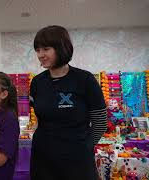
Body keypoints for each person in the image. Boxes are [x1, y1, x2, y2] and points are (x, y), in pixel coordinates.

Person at [29, 25, 107, 180]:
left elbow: (100, 122)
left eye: (46, 49)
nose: (40, 55)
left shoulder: (85, 80)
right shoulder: (38, 82)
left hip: (77, 160)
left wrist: (85, 147)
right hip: (43, 159)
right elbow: (41, 119)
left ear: (61, 48)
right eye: (37, 50)